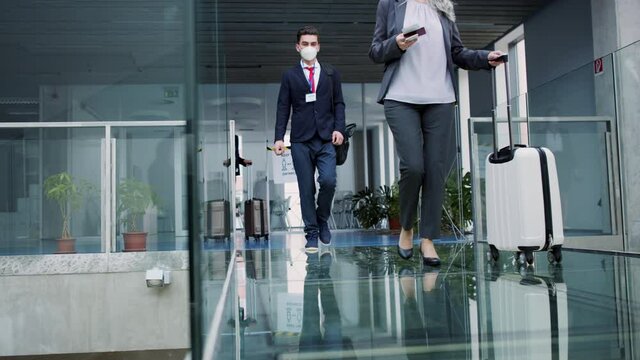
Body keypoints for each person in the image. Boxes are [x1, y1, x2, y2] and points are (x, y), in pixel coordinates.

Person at [369, 0, 505, 266]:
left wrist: (483, 58)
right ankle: (407, 226)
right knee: (413, 167)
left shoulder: (443, 5)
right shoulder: (390, 4)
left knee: (435, 168)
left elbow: (456, 51)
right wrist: (395, 44)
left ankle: (428, 239)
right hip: (400, 97)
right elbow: (375, 51)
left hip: (440, 99)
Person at [274, 25, 346, 253]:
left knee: (328, 181)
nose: (309, 47)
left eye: (313, 43)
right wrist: (278, 137)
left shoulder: (331, 73)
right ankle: (312, 233)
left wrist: (339, 129)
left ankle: (322, 218)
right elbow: (283, 107)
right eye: (305, 44)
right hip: (300, 141)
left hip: (326, 139)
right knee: (306, 188)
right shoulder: (290, 75)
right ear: (298, 47)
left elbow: (339, 104)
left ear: (318, 46)